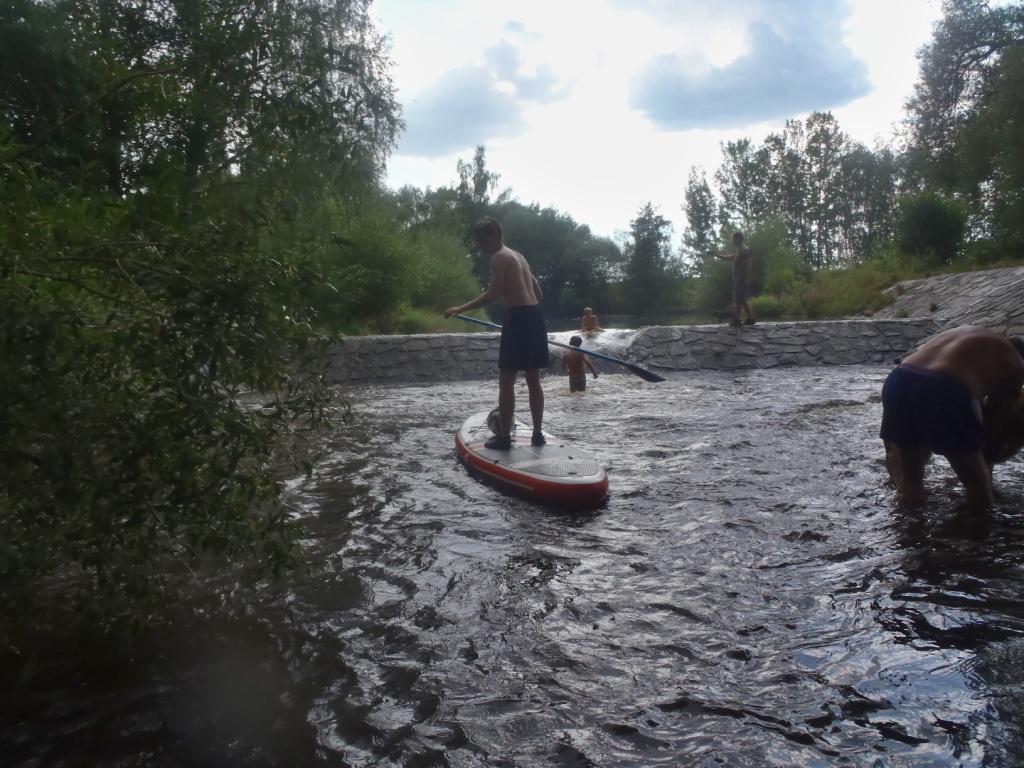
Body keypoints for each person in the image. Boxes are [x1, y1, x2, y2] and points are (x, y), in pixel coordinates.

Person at [880, 325, 1024, 510]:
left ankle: (908, 532)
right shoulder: (1016, 365)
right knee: (979, 494)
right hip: (943, 387)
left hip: (899, 379)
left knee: (911, 483)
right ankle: (976, 533)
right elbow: (994, 420)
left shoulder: (971, 336)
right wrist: (982, 465)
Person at [445, 218, 548, 450]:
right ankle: (537, 434)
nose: (480, 246)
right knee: (534, 381)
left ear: (496, 235)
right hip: (534, 316)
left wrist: (459, 309)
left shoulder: (499, 257)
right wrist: (525, 307)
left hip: (519, 318)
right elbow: (538, 293)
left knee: (506, 381)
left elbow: (492, 294)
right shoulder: (518, 256)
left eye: (483, 240)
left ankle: (503, 438)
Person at [716, 232, 755, 326]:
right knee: (742, 299)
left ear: (738, 239)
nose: (732, 241)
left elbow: (749, 265)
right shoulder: (738, 250)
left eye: (733, 239)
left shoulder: (745, 250)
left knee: (739, 299)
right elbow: (731, 257)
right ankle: (750, 318)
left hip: (742, 279)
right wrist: (718, 255)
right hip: (738, 278)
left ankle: (737, 319)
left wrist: (748, 279)